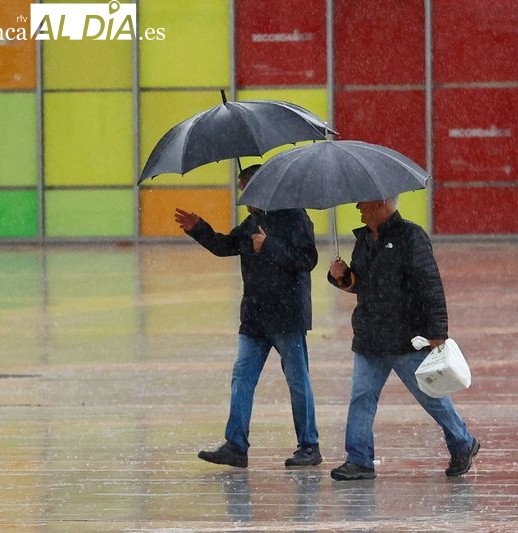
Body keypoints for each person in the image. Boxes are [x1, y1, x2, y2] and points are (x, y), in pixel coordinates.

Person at [174, 164, 321, 469]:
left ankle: (309, 445)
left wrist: (269, 246)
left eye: (248, 188)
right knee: (242, 377)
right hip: (254, 318)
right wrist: (199, 228)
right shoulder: (251, 222)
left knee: (297, 380)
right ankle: (235, 446)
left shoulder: (295, 216)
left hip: (287, 317)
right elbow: (225, 246)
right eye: (242, 188)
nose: (243, 195)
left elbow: (307, 259)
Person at [327, 197, 479, 480]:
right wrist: (342, 276)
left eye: (363, 203)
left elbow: (431, 286)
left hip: (405, 337)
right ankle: (359, 460)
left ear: (381, 203)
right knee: (361, 396)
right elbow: (359, 284)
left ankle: (462, 442)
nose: (358, 208)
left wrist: (437, 334)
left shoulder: (412, 237)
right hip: (369, 337)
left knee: (430, 395)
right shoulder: (364, 240)